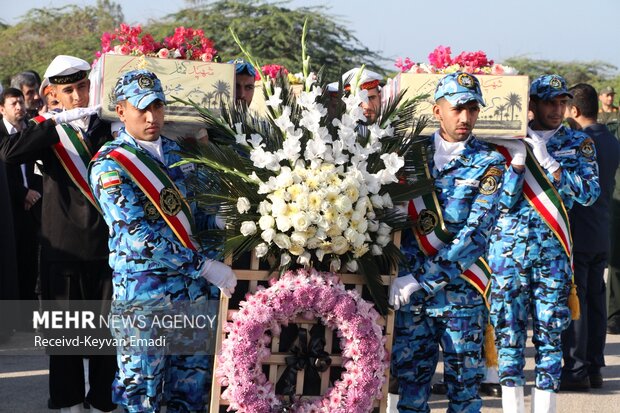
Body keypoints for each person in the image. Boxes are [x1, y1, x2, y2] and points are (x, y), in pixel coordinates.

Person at [88, 69, 237, 413]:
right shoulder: (111, 165)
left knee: (192, 393)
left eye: (156, 106)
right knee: (144, 395)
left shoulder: (179, 155)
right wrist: (204, 267)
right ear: (121, 110)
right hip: (146, 301)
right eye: (140, 108)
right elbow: (139, 237)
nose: (151, 116)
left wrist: (218, 223)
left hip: (192, 298)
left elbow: (195, 217)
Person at [389, 72, 517, 412]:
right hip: (411, 299)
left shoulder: (489, 162)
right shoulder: (408, 156)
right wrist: (399, 275)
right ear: (437, 111)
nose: (466, 117)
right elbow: (387, 219)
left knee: (464, 394)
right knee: (412, 392)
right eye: (458, 108)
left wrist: (421, 280)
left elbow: (476, 235)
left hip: (461, 295)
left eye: (473, 109)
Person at [0, 55, 116, 413]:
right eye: (69, 91)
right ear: (53, 94)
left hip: (104, 246)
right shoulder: (49, 127)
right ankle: (68, 401)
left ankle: (102, 399)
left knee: (106, 336)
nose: (79, 97)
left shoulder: (105, 126)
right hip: (62, 248)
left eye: (83, 87)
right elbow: (8, 152)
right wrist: (53, 122)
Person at [487, 74, 600, 413]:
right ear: (531, 104)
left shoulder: (578, 143)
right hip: (508, 255)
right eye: (550, 101)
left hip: (552, 255)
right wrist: (519, 159)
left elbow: (589, 193)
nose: (558, 108)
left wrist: (551, 165)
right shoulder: (504, 142)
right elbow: (497, 201)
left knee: (550, 338)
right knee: (509, 337)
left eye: (563, 101)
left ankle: (544, 409)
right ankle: (512, 408)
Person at [560, 83, 620, 390]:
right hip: (601, 231)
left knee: (577, 304)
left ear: (574, 110)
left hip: (579, 232)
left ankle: (577, 370)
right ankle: (595, 366)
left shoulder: (579, 142)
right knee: (595, 301)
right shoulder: (610, 139)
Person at [0, 88, 42, 329]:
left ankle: (26, 320)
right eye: (13, 103)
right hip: (10, 209)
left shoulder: (31, 130)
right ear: (2, 109)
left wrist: (34, 193)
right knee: (11, 263)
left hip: (32, 208)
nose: (19, 107)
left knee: (28, 263)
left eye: (21, 102)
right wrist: (22, 193)